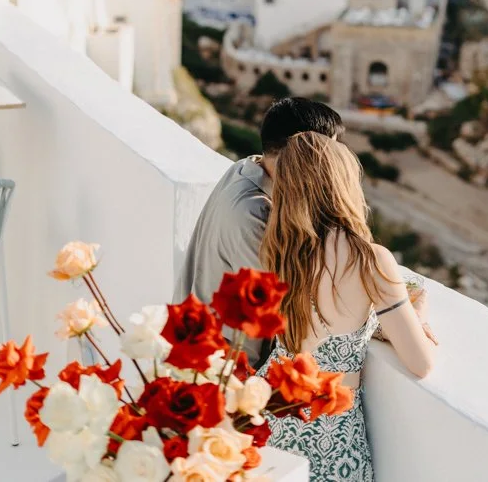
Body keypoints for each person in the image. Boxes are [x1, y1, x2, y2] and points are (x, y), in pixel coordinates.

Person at [258, 131, 437, 482]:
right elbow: (421, 364)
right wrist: (417, 317)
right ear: (342, 183)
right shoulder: (370, 260)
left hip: (273, 415)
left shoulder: (276, 250)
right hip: (332, 431)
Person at [174, 97, 345, 364]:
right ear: (305, 150)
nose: (334, 165)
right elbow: (277, 306)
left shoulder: (246, 167)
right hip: (227, 370)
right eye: (331, 154)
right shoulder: (254, 213)